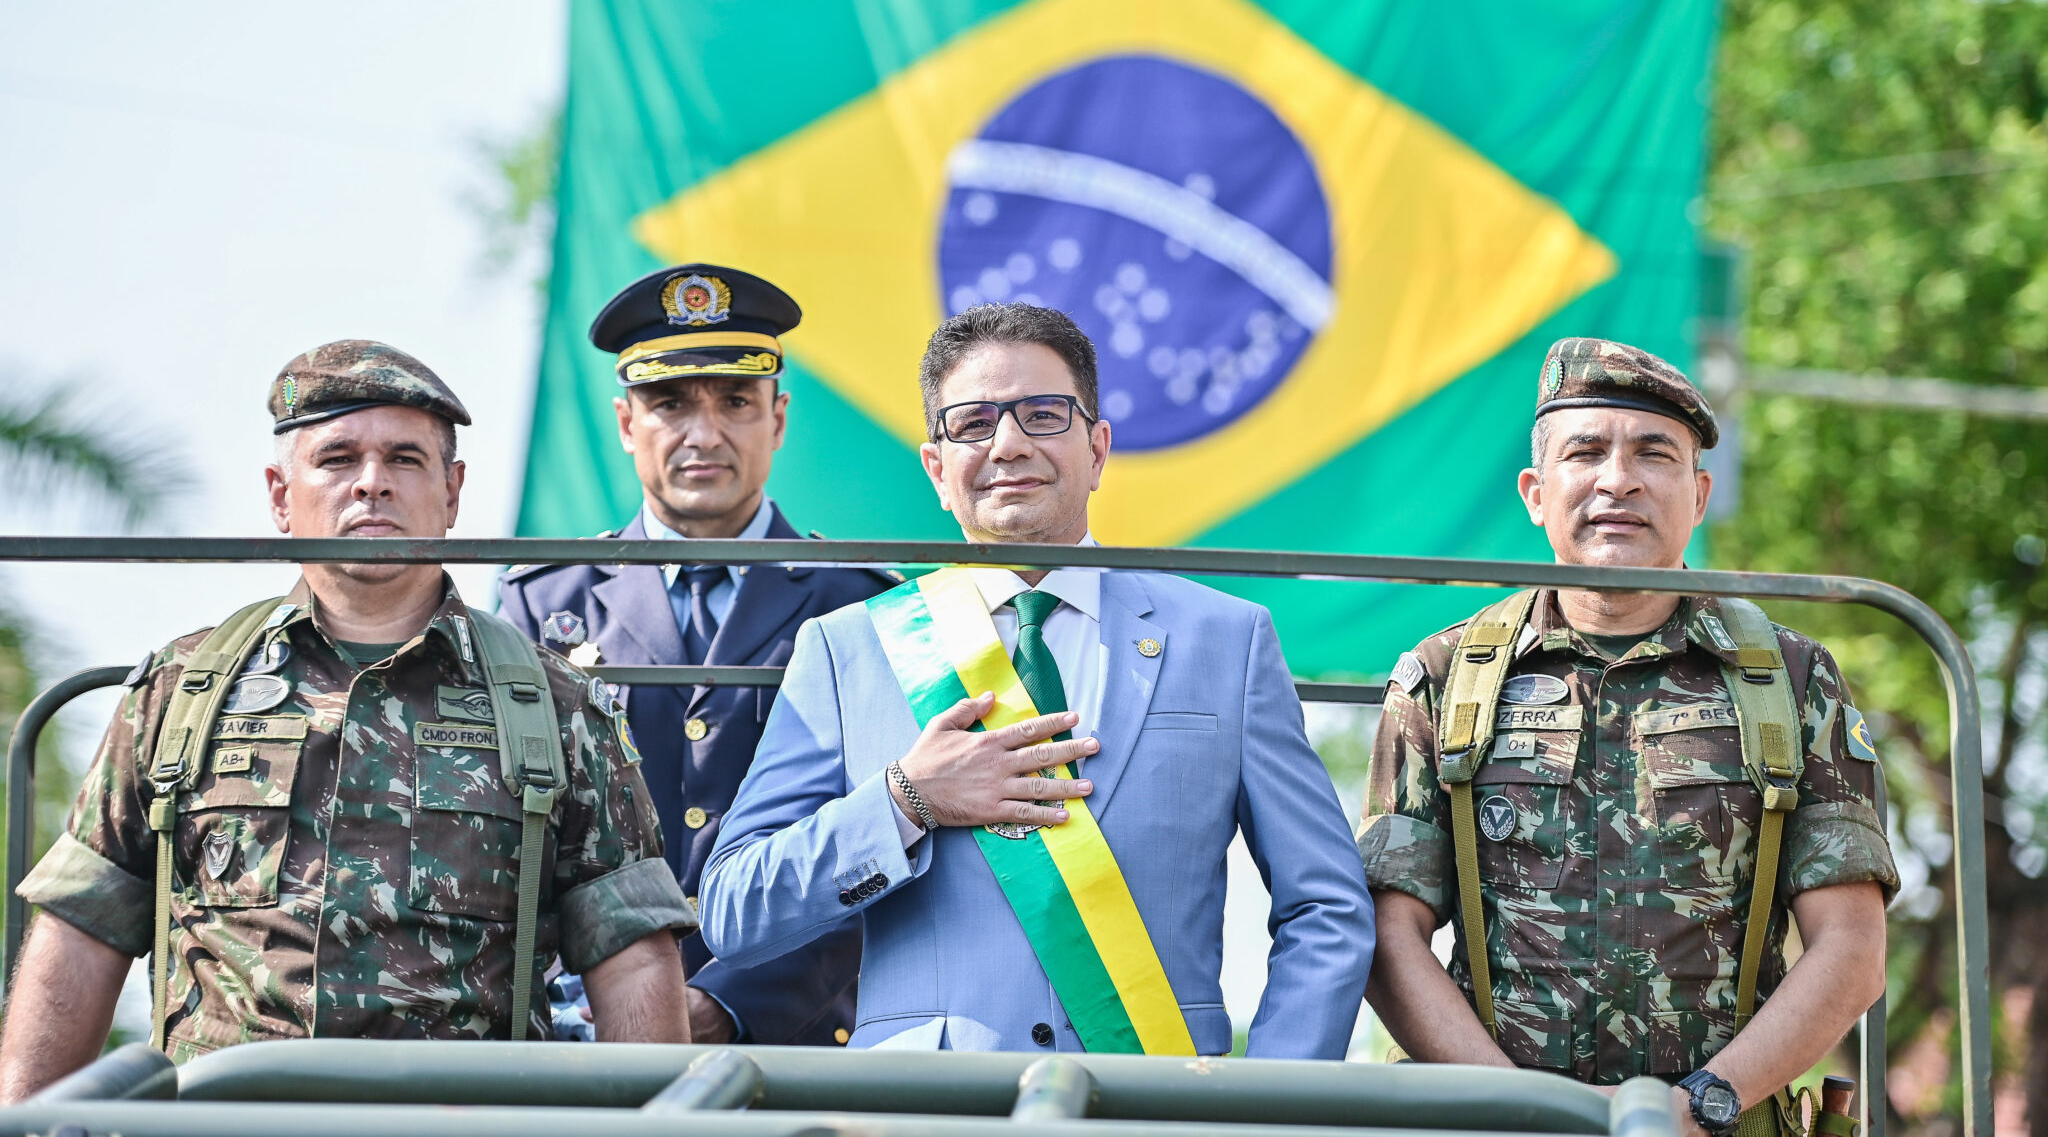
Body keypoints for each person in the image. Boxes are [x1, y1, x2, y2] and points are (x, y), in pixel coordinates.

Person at [0, 341, 693, 1098]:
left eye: (404, 459)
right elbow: (81, 928)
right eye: (337, 458)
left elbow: (631, 953)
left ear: (452, 492)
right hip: (222, 1123)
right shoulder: (181, 693)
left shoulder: (555, 708)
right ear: (279, 492)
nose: (372, 484)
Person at [699, 303, 1373, 1057]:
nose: (1009, 445)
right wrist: (905, 800)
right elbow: (734, 910)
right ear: (937, 469)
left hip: (1159, 1109)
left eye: (1044, 415)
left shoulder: (1226, 640)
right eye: (974, 423)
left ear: (1098, 447)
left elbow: (1327, 907)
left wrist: (1270, 1099)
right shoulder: (848, 647)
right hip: (925, 1116)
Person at [1358, 338, 1896, 1136]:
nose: (1619, 480)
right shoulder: (1443, 680)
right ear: (1537, 493)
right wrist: (1515, 1108)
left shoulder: (1791, 679)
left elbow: (1852, 948)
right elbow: (1385, 938)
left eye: (1655, 453)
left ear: (1700, 493)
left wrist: (1704, 1104)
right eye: (1586, 452)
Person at [501, 264, 892, 1046]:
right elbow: (519, 840)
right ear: (624, 423)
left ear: (778, 419)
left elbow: (888, 837)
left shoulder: (864, 602)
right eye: (670, 404)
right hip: (586, 1035)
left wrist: (733, 1003)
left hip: (797, 1041)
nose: (702, 434)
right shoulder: (543, 601)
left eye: (735, 403)